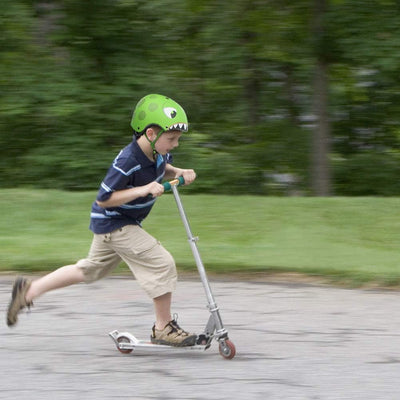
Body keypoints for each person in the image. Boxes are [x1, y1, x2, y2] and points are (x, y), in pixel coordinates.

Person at [7, 93, 198, 347]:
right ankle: (163, 328)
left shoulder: (158, 154)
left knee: (89, 270)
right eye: (171, 139)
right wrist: (143, 190)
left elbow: (162, 168)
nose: (175, 145)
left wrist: (179, 171)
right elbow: (104, 198)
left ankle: (28, 291)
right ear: (151, 134)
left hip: (116, 223)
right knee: (161, 263)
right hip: (115, 222)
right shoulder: (128, 160)